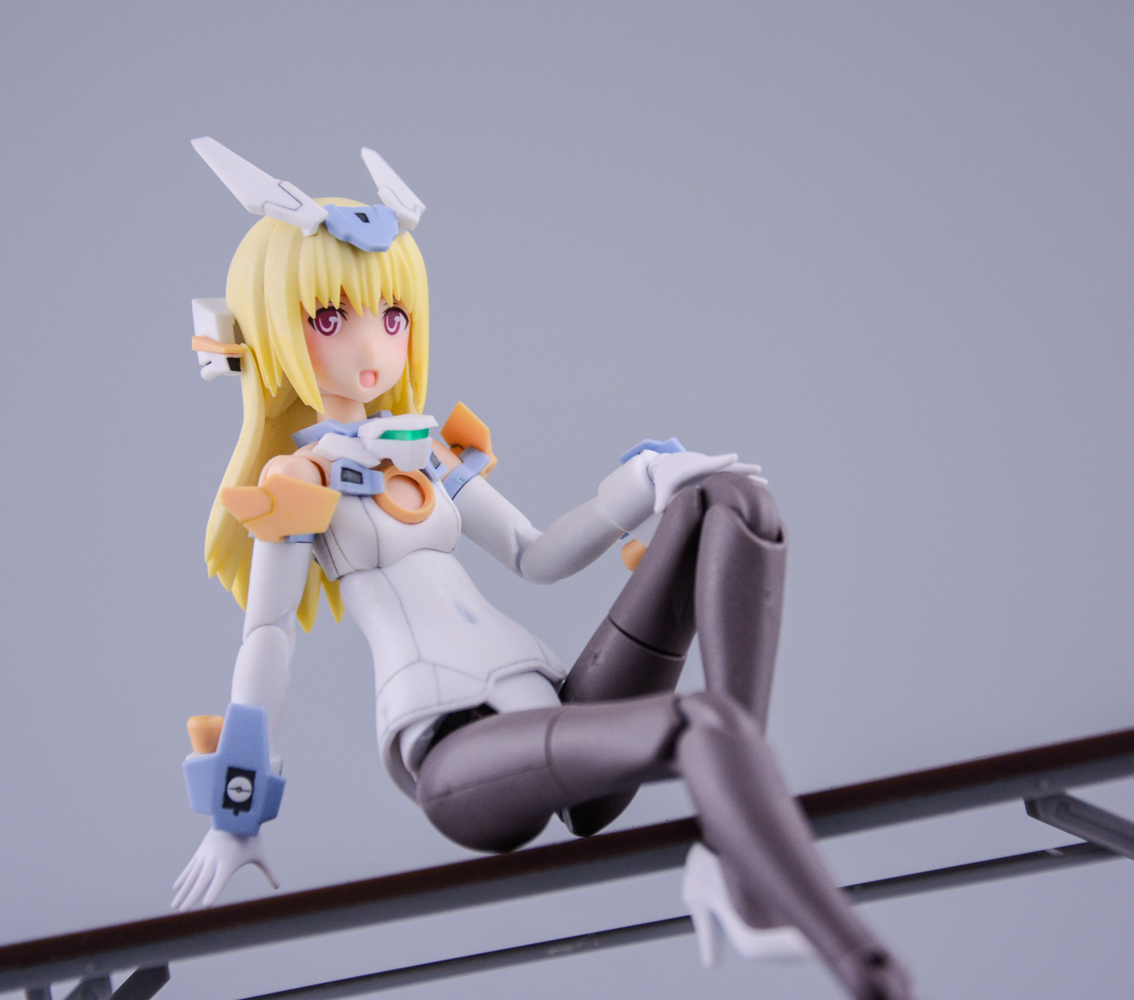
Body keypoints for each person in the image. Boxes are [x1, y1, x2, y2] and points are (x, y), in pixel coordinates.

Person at [173, 140, 912, 1000]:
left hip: (560, 705)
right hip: (458, 755)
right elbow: (267, 640)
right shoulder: (297, 484)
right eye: (332, 320)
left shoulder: (428, 452)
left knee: (729, 500)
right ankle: (837, 943)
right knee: (702, 725)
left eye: (393, 316)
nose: (372, 343)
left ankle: (731, 826)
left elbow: (535, 554)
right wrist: (234, 816)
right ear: (273, 330)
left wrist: (642, 485)